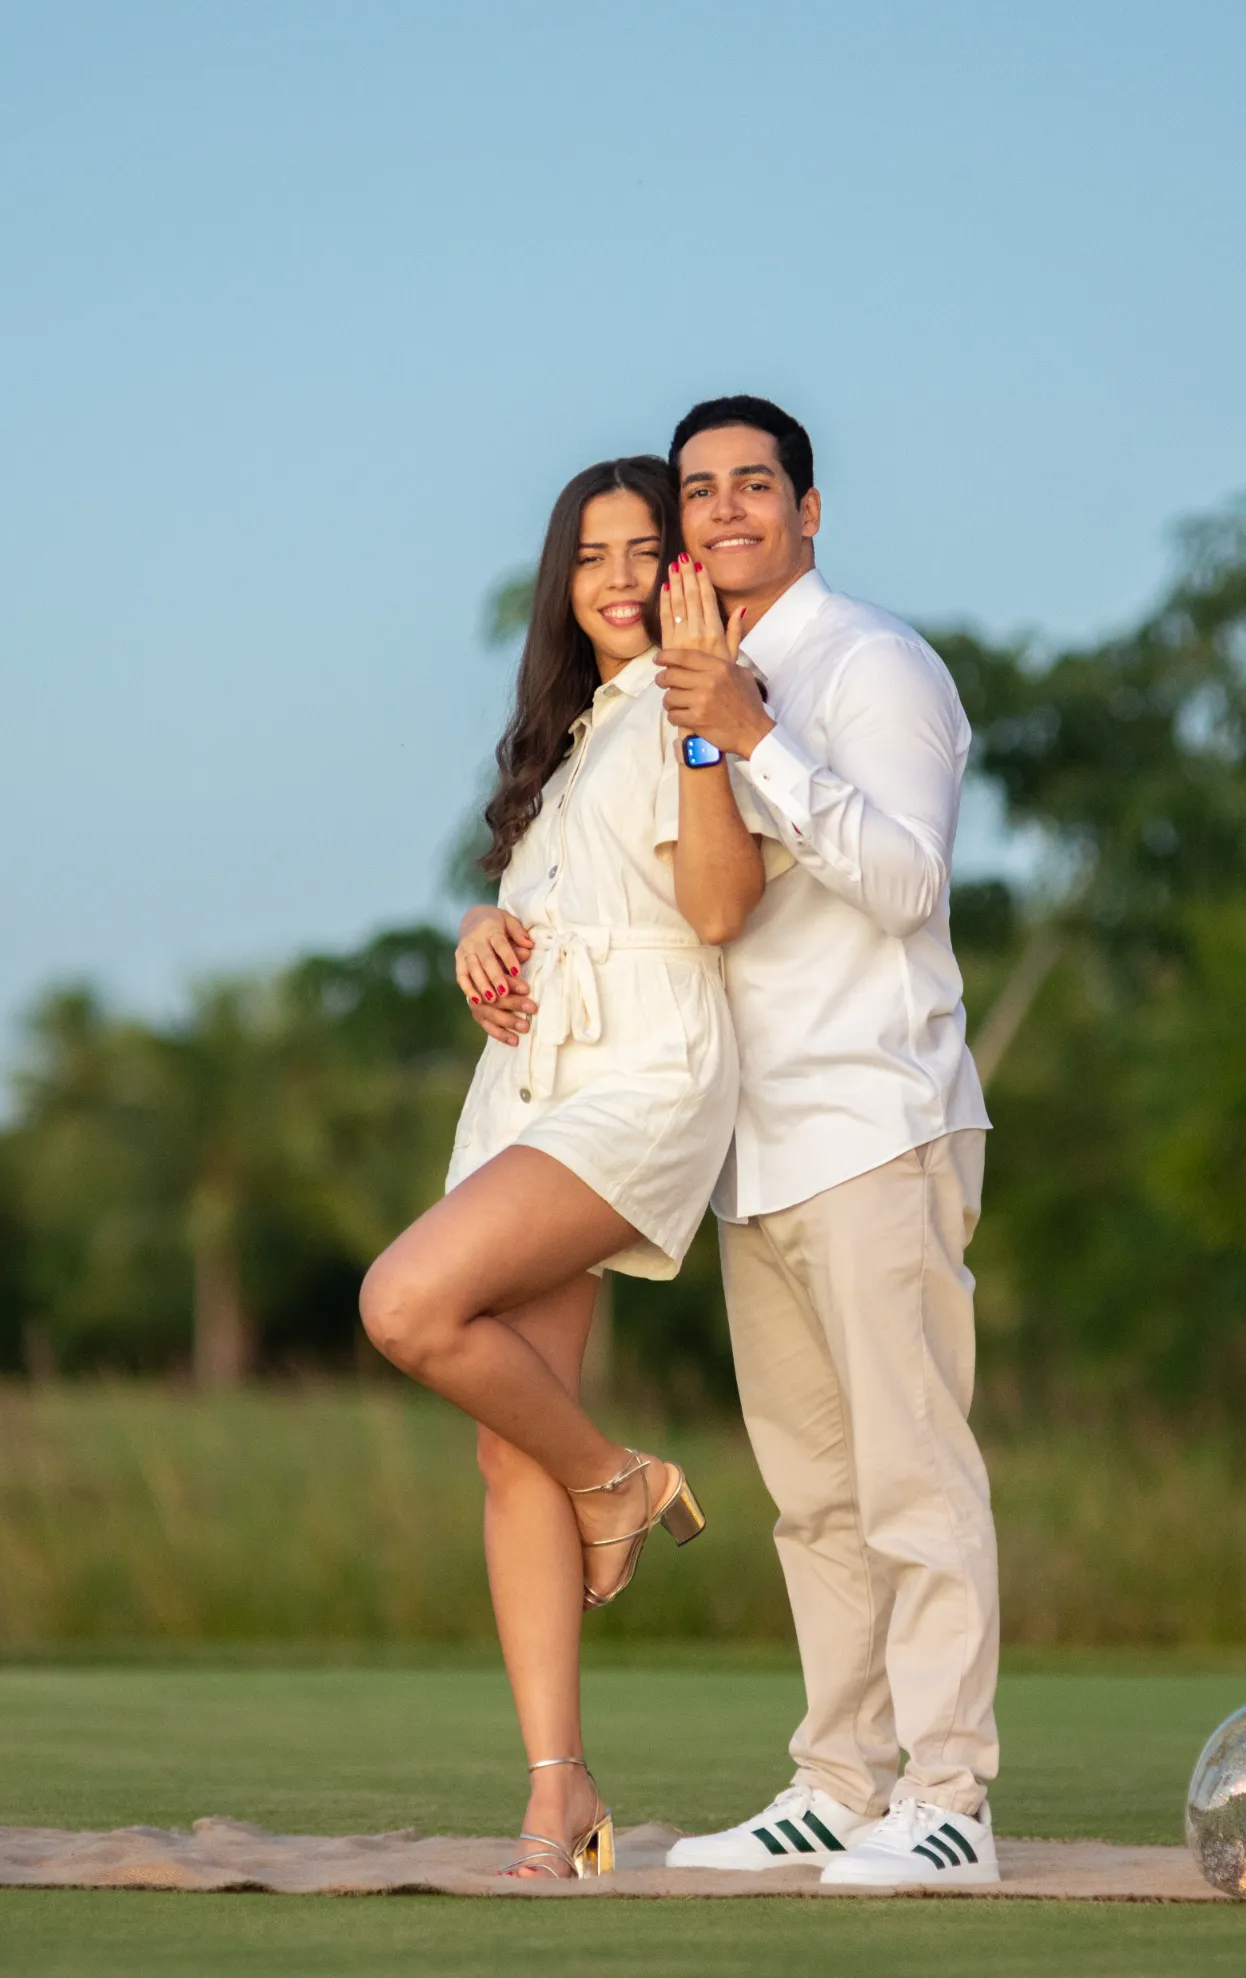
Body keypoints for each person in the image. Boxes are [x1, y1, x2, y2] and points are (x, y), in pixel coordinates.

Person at [359, 455, 783, 1880]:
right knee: (503, 1445)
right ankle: (561, 1795)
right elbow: (564, 908)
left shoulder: (695, 701)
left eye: (643, 547)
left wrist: (714, 729)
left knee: (405, 1303)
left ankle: (617, 1481)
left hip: (646, 1074)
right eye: (590, 553)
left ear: (684, 569)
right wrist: (484, 933)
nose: (615, 575)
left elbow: (719, 908)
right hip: (529, 1084)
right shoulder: (567, 731)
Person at [657, 397, 1001, 1888]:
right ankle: (839, 1780)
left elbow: (908, 881)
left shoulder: (870, 662)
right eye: (699, 491)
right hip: (757, 1146)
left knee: (914, 1473)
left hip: (880, 1119)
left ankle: (951, 1800)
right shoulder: (694, 679)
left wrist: (754, 737)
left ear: (807, 511)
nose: (725, 509)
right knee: (814, 1496)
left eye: (754, 484)